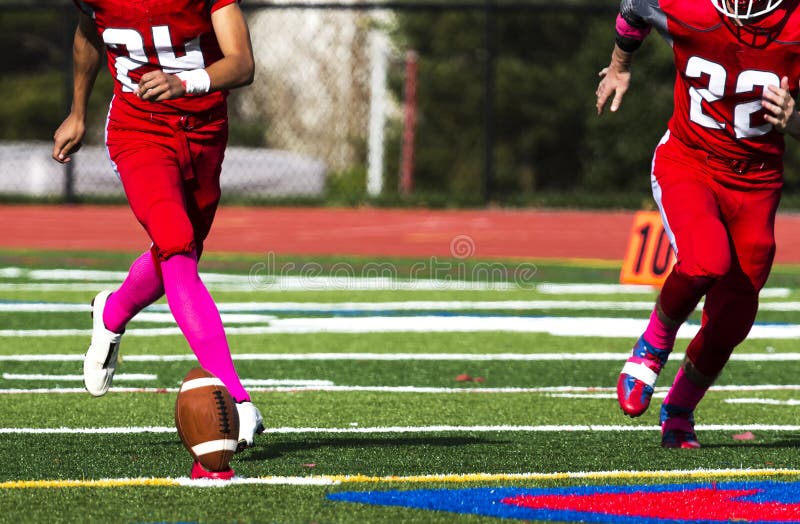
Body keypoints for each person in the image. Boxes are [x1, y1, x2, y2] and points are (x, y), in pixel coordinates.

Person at [52, 0, 264, 474]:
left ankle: (113, 310)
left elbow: (242, 63)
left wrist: (183, 82)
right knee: (177, 247)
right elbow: (89, 34)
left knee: (181, 249)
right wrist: (78, 111)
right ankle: (238, 394)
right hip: (139, 131)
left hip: (206, 130)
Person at [596, 0, 800, 448]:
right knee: (706, 259)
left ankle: (681, 409)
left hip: (757, 183)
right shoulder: (690, 8)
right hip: (690, 163)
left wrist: (796, 119)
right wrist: (618, 67)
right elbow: (634, 10)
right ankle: (652, 345)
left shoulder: (794, 25)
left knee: (735, 316)